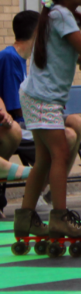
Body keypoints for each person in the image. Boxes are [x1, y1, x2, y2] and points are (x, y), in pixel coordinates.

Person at [12, 0, 81, 256]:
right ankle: (60, 217)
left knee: (46, 159)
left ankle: (24, 219)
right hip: (43, 98)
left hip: (39, 96)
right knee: (60, 152)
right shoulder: (63, 16)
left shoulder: (59, 16)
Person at [0, 11, 36, 215]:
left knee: (74, 124)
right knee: (59, 138)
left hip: (20, 122)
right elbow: (15, 108)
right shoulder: (9, 57)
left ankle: (42, 191)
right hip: (18, 124)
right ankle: (37, 192)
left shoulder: (22, 60)